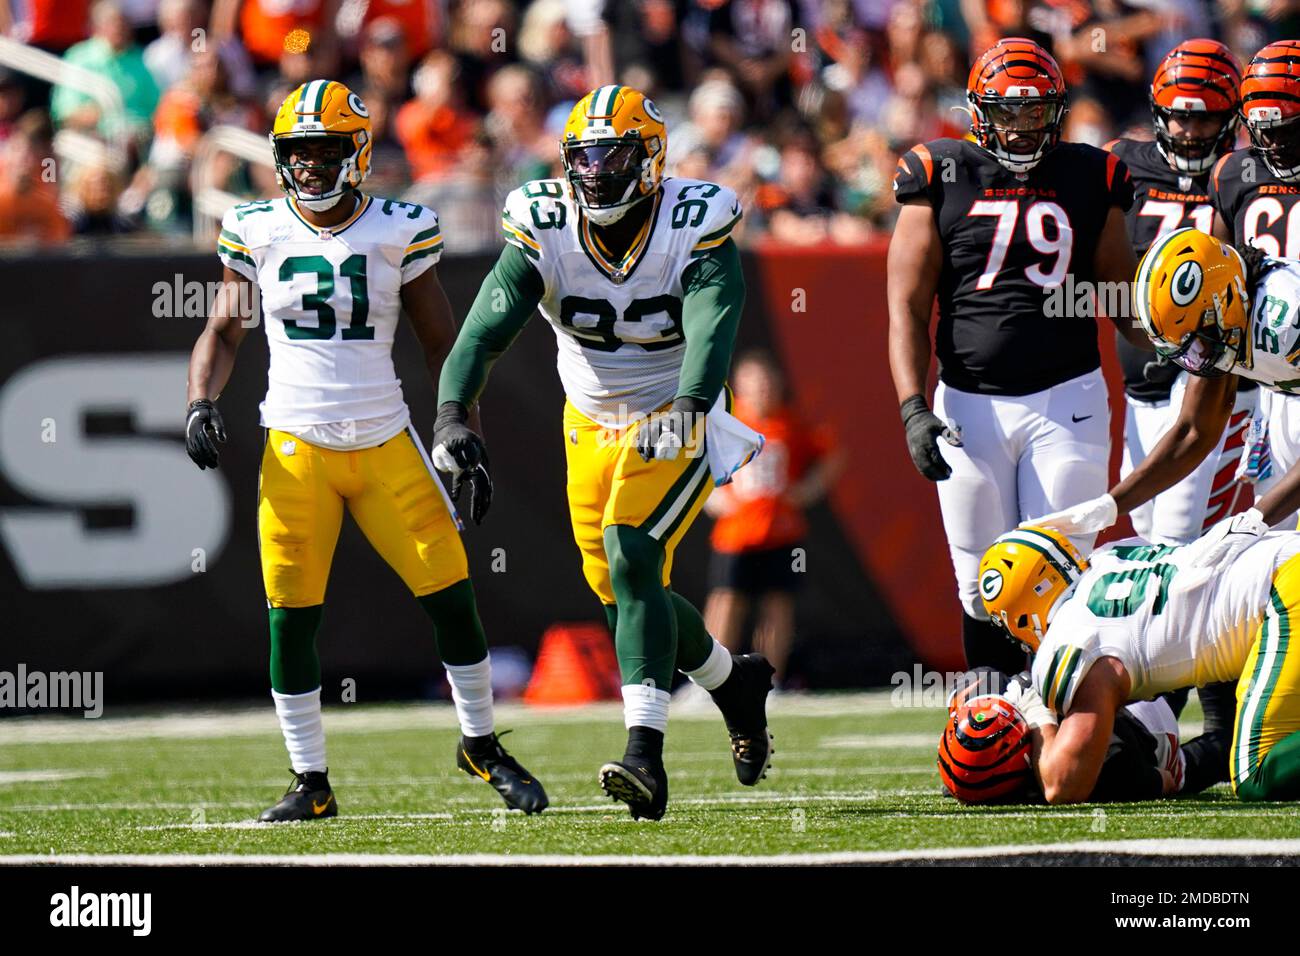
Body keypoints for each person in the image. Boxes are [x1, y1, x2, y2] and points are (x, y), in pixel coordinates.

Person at [184, 79, 547, 822]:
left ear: (357, 153)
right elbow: (224, 330)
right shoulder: (255, 227)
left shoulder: (397, 228)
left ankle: (480, 744)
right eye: (297, 154)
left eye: (323, 153)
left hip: (384, 439)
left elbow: (444, 342)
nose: (309, 168)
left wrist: (461, 430)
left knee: (451, 595)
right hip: (294, 448)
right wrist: (199, 401)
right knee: (291, 615)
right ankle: (309, 780)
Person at [435, 85, 773, 821]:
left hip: (677, 407)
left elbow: (715, 321)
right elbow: (484, 330)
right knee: (624, 592)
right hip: (588, 421)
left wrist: (689, 409)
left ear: (649, 160)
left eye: (611, 155)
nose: (593, 172)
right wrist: (452, 415)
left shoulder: (695, 217)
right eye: (581, 157)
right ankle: (732, 682)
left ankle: (644, 755)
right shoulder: (545, 220)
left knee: (631, 550)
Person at [887, 38, 1142, 677]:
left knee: (1059, 573)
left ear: (1056, 112)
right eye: (1008, 111)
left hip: (1068, 399)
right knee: (980, 585)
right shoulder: (938, 172)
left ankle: (1059, 720)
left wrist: (1182, 340)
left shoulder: (1093, 172)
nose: (1022, 126)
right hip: (969, 403)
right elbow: (907, 309)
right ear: (979, 111)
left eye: (1036, 112)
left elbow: (1120, 294)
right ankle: (995, 723)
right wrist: (913, 407)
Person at [979, 524, 1300, 802]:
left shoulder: (1070, 642)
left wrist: (1037, 714)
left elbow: (1065, 784)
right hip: (1283, 563)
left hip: (1284, 589)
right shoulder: (1111, 555)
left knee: (1253, 774)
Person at [1106, 40, 1255, 546]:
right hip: (1142, 379)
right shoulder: (1120, 163)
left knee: (1180, 536)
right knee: (1147, 528)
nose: (1190, 134)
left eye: (1206, 121)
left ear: (1232, 117)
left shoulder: (1244, 173)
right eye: (1179, 119)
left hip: (1212, 373)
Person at [703, 350, 842, 686]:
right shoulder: (725, 423)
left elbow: (832, 454)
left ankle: (770, 682)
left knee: (777, 605)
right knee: (726, 601)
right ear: (739, 387)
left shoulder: (791, 423)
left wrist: (808, 490)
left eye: (767, 382)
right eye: (754, 383)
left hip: (782, 534)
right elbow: (695, 465)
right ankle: (709, 681)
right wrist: (710, 497)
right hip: (736, 533)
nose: (762, 390)